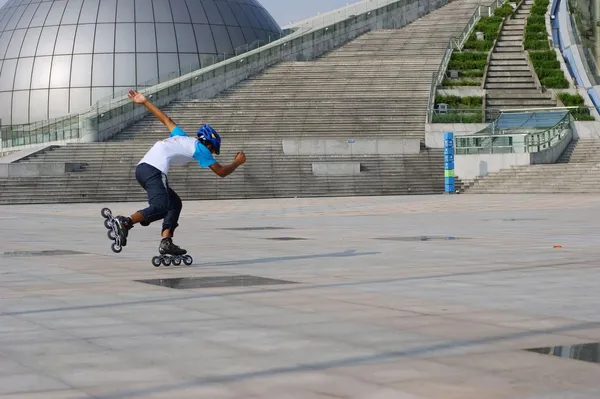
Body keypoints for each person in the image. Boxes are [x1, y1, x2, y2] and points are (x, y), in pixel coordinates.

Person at [112, 89, 247, 255]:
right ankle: (125, 222)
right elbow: (221, 172)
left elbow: (166, 119)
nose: (210, 155)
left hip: (142, 169)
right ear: (210, 145)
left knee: (174, 203)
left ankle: (166, 242)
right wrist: (237, 162)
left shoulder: (183, 137)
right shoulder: (201, 148)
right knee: (161, 206)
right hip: (154, 170)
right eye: (213, 151)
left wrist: (144, 101)